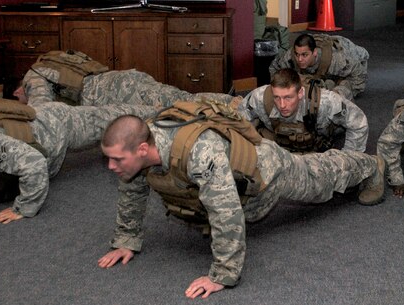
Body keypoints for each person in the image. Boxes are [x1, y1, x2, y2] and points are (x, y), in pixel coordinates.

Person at [95, 108, 385, 299]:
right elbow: (133, 189)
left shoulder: (199, 153)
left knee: (322, 177)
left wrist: (223, 274)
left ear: (143, 149)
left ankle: (371, 166)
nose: (111, 166)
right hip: (234, 179)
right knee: (316, 170)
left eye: (117, 159)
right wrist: (127, 239)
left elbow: (226, 213)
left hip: (269, 171)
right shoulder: (139, 147)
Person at [0, 97, 158, 224]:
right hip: (35, 124)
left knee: (115, 118)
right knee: (107, 115)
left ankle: (163, 105)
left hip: (56, 126)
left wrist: (24, 207)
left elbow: (34, 163)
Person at [21, 50, 238, 108]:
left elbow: (41, 110)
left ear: (16, 91)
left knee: (179, 103)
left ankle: (237, 105)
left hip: (118, 92)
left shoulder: (34, 76)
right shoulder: (53, 59)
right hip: (123, 80)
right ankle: (234, 104)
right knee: (179, 98)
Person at [238, 68, 368, 153]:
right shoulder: (259, 97)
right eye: (277, 97)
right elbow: (238, 121)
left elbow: (359, 123)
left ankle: (341, 85)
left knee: (340, 94)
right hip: (283, 145)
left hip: (324, 116)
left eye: (288, 97)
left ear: (300, 93)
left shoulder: (326, 102)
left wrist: (348, 158)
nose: (282, 105)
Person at [268, 33, 370, 101]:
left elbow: (359, 73)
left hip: (349, 50)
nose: (299, 59)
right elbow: (274, 68)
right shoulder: (290, 57)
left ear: (314, 52)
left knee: (338, 92)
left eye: (304, 55)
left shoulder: (338, 59)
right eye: (297, 54)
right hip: (320, 52)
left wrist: (346, 89)